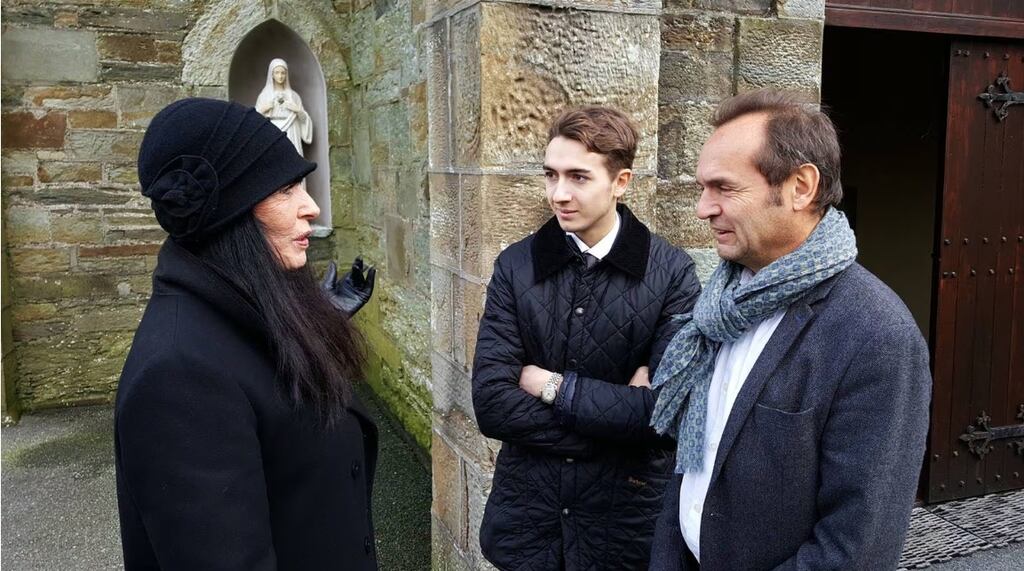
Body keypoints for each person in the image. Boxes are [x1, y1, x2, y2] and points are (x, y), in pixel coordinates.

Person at [648, 90, 931, 570]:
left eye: (724, 188)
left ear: (801, 186)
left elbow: (856, 550)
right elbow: (693, 471)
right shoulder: (719, 307)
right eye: (702, 188)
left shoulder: (876, 335)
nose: (702, 208)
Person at [114, 98, 378, 570]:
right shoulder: (177, 377)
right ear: (230, 215)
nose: (311, 208)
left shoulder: (246, 309)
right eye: (285, 190)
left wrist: (318, 327)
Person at [472, 107, 701, 569]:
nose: (559, 194)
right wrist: (618, 424)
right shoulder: (516, 267)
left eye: (579, 177)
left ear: (621, 182)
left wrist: (549, 386)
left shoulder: (673, 274)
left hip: (623, 527)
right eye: (551, 176)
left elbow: (665, 415)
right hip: (530, 523)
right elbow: (492, 403)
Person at [256, 58, 312, 156]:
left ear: (286, 75)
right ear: (272, 75)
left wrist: (298, 111)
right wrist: (262, 110)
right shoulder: (265, 95)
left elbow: (304, 120)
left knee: (292, 159)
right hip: (272, 130)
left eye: (283, 73)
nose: (280, 76)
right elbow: (254, 119)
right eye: (277, 73)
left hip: (291, 130)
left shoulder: (293, 96)